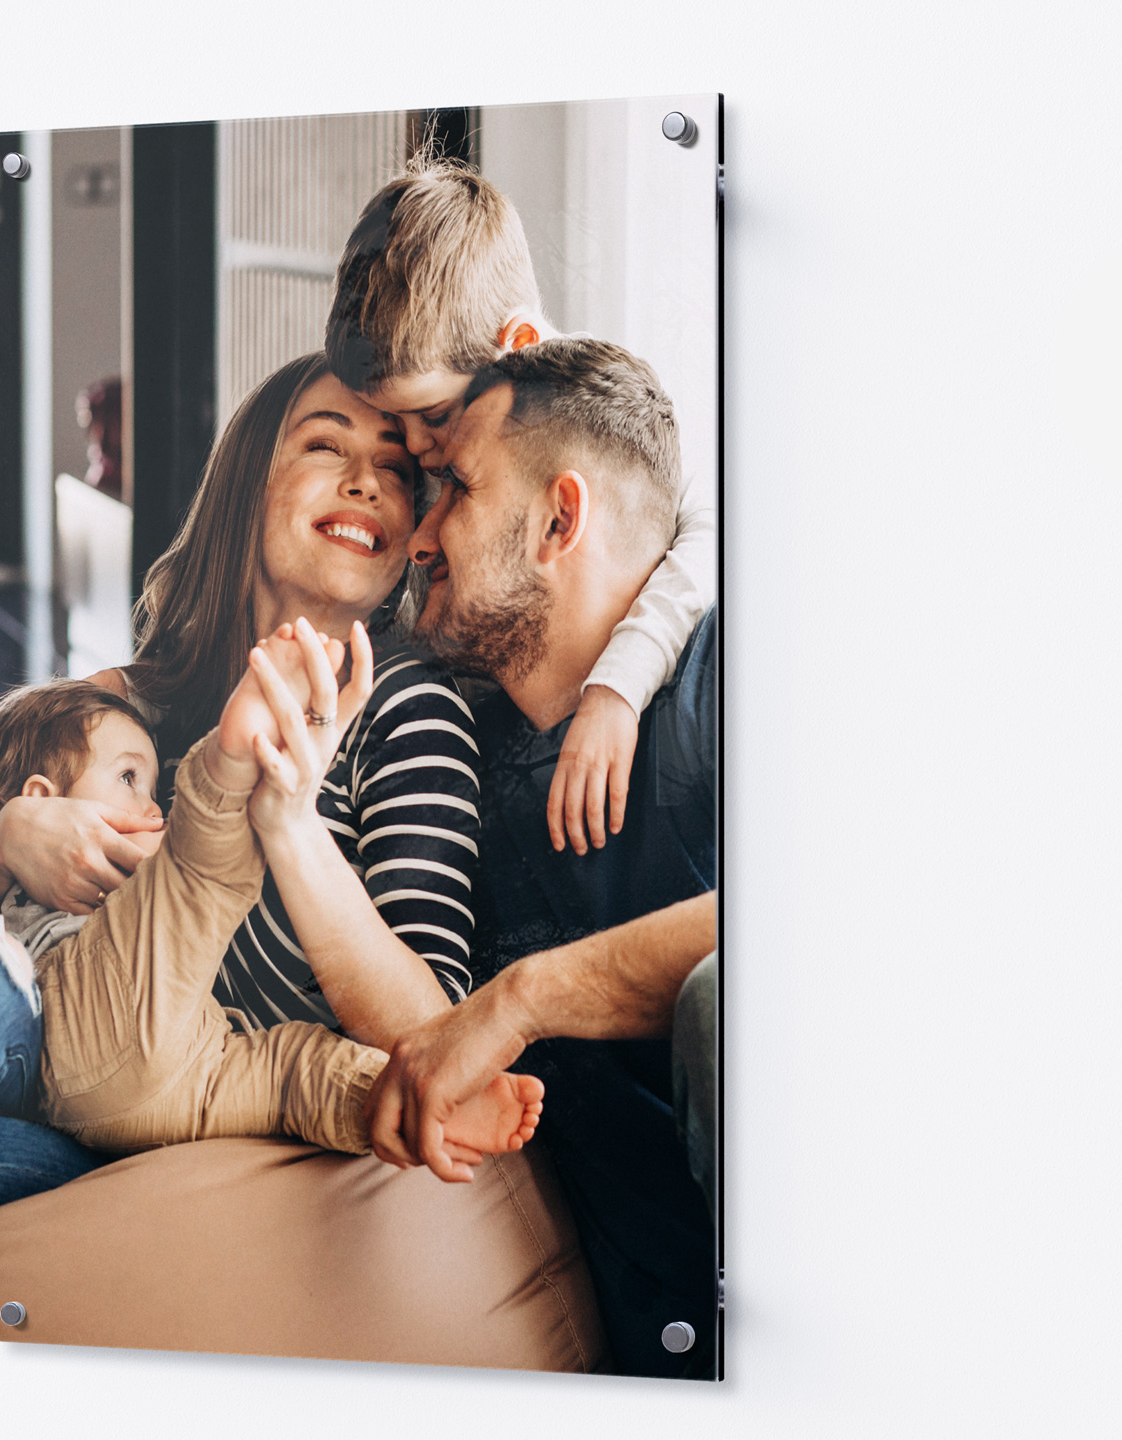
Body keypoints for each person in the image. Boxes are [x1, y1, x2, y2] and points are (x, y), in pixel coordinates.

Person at [0, 353, 489, 1199]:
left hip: (178, 1145)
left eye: (396, 470)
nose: (366, 481)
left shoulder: (409, 710)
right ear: (250, 481)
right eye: (327, 447)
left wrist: (289, 826)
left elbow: (432, 1030)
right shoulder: (128, 705)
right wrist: (2, 845)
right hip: (37, 1103)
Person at [364, 338, 721, 1380]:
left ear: (561, 520)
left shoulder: (716, 681)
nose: (418, 537)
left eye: (455, 491)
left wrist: (522, 999)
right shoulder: (450, 754)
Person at [0, 646, 542, 1165]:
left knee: (294, 1075)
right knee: (199, 871)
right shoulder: (31, 894)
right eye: (128, 778)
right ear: (42, 801)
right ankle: (232, 766)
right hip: (84, 1020)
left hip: (192, 1057)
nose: (152, 809)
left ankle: (411, 1105)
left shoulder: (414, 708)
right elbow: (188, 870)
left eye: (154, 788)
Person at [324, 157, 714, 862]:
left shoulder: (607, 435)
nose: (418, 450)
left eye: (433, 415)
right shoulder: (427, 455)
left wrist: (616, 690)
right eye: (393, 426)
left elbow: (714, 539)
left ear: (519, 346)